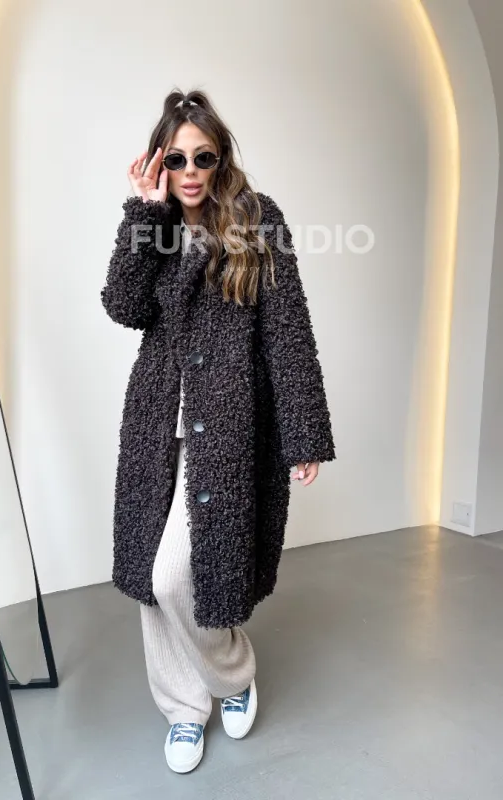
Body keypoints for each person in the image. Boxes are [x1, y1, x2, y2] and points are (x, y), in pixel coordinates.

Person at [101, 89, 336, 774]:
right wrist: (142, 212)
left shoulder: (258, 221)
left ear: (221, 157)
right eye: (176, 159)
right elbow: (122, 304)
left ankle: (232, 675)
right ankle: (182, 708)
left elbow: (288, 329)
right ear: (159, 163)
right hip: (157, 420)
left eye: (202, 157)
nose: (190, 171)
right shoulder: (154, 226)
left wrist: (303, 431)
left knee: (183, 573)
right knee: (151, 576)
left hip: (228, 422)